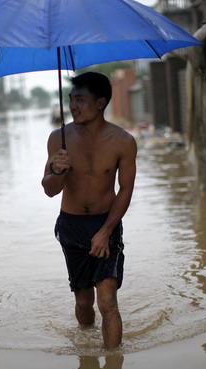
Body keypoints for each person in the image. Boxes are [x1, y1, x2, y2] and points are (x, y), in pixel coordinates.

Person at [42, 72, 137, 350]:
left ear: (100, 102)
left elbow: (126, 190)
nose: (73, 106)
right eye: (71, 100)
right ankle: (86, 351)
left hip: (105, 223)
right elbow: (49, 189)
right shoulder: (58, 138)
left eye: (80, 100)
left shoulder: (123, 140)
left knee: (107, 301)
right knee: (84, 303)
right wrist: (57, 170)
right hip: (71, 225)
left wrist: (105, 232)